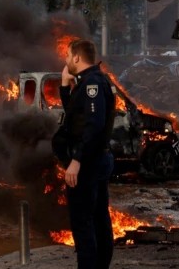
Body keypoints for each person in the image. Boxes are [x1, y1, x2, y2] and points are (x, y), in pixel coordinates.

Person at [51, 38, 116, 269]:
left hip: (88, 162)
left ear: (77, 57)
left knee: (84, 223)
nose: (66, 60)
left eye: (68, 56)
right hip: (95, 159)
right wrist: (64, 87)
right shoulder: (91, 81)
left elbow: (93, 125)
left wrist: (76, 160)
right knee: (98, 218)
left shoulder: (93, 84)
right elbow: (76, 119)